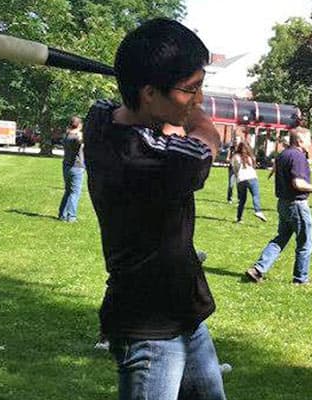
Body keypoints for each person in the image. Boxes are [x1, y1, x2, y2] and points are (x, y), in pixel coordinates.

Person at [83, 18, 225, 400]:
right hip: (148, 330)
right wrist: (190, 114)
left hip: (183, 314)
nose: (199, 99)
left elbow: (112, 106)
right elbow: (209, 137)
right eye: (192, 89)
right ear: (148, 92)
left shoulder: (99, 122)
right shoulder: (152, 160)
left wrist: (176, 99)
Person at [245, 128, 312, 285]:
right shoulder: (298, 156)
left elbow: (275, 171)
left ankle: (258, 269)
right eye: (308, 139)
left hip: (283, 204)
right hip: (296, 204)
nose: (310, 143)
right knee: (305, 242)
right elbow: (297, 183)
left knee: (281, 238)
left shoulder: (283, 154)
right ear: (299, 141)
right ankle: (301, 278)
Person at [57, 116, 85, 222]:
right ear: (79, 125)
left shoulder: (66, 136)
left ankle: (62, 214)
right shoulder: (76, 138)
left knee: (68, 191)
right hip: (76, 167)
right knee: (75, 192)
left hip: (66, 165)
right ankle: (71, 216)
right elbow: (82, 141)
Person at [232, 141, 267, 223]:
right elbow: (253, 167)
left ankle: (239, 218)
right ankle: (258, 211)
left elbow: (235, 169)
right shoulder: (250, 157)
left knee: (242, 200)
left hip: (241, 179)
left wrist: (237, 177)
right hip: (252, 177)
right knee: (255, 195)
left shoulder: (235, 157)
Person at [226, 134, 244, 204]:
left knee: (239, 184)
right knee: (231, 184)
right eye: (235, 139)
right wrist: (229, 159)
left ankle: (239, 199)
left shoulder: (242, 148)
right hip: (232, 168)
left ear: (240, 140)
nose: (236, 140)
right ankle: (229, 198)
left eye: (238, 139)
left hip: (239, 169)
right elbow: (227, 158)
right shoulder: (231, 148)